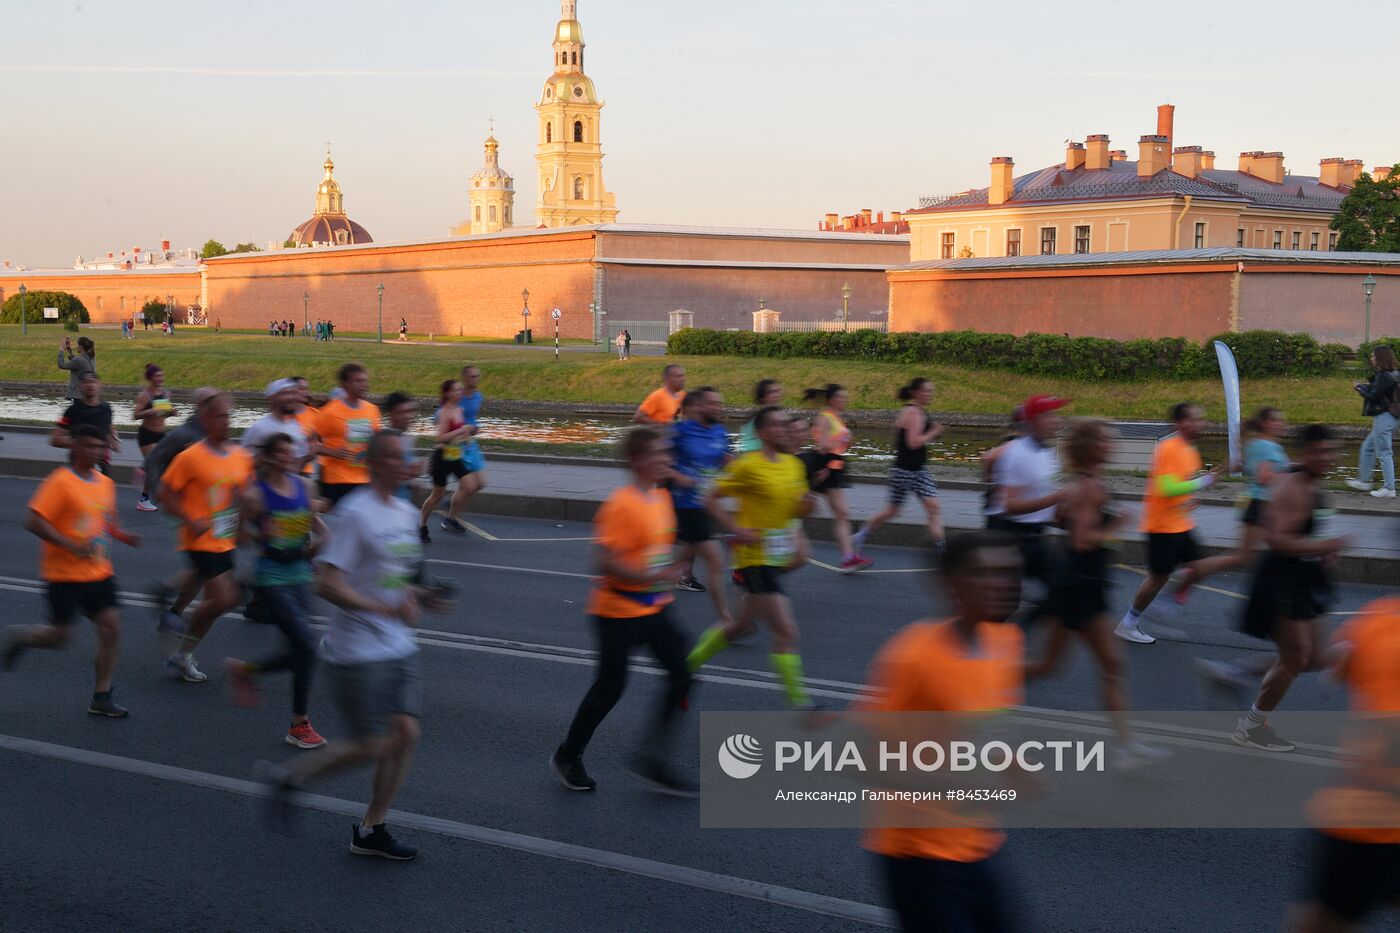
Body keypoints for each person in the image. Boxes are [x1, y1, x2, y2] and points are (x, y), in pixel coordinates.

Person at [260, 429, 447, 860]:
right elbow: (326, 582)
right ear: (381, 463)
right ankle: (290, 776)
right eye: (404, 457)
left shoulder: (403, 512)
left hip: (399, 645)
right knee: (373, 744)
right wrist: (378, 610)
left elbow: (394, 576)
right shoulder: (356, 513)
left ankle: (371, 829)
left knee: (405, 734)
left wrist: (417, 597)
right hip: (357, 650)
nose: (412, 462)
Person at [860, 531, 1025, 933]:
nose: (1001, 584)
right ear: (952, 583)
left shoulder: (1005, 642)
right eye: (984, 574)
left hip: (978, 844)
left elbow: (982, 731)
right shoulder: (914, 656)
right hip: (917, 855)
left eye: (1009, 573)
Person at [550, 425, 694, 796]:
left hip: (654, 608)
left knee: (682, 674)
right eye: (660, 453)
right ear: (638, 460)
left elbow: (655, 549)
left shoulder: (660, 497)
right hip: (616, 611)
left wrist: (667, 572)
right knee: (610, 688)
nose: (667, 458)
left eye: (667, 453)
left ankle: (653, 760)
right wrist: (651, 575)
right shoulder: (621, 504)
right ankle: (568, 755)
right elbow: (602, 562)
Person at [1026, 419, 1169, 770]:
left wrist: (1077, 518)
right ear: (1091, 446)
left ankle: (1127, 747)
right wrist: (1117, 525)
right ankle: (1127, 747)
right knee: (1105, 666)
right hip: (1082, 583)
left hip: (1083, 581)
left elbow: (1064, 520)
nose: (1112, 443)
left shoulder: (1086, 483)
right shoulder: (1089, 486)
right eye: (1106, 440)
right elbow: (1082, 540)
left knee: (1053, 665)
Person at [3, 425, 141, 717]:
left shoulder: (105, 483)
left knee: (111, 627)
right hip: (64, 575)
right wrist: (71, 545)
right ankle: (21, 636)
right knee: (61, 637)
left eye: (100, 446)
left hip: (100, 571)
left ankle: (101, 696)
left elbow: (105, 522)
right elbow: (33, 521)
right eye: (91, 446)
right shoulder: (60, 482)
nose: (98, 451)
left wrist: (123, 535)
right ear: (75, 448)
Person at [688, 406, 817, 708]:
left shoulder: (792, 465)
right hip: (754, 558)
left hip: (775, 556)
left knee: (737, 626)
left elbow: (793, 511)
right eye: (777, 425)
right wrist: (736, 528)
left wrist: (807, 507)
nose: (784, 429)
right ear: (761, 432)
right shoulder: (748, 465)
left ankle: (684, 669)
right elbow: (709, 497)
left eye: (787, 424)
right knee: (786, 630)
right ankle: (802, 707)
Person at [1231, 424, 1346, 752]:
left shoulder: (1308, 482)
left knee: (1312, 657)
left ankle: (1239, 678)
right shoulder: (1291, 487)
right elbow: (1277, 540)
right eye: (1320, 452)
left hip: (1302, 578)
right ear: (1305, 452)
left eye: (1331, 451)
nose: (1327, 458)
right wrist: (1325, 545)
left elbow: (1303, 531)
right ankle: (1251, 726)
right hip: (1281, 580)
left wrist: (1323, 546)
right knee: (1295, 659)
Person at [1291, 596, 1400, 931]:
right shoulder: (1380, 621)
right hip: (1364, 820)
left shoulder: (1380, 617)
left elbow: (1334, 666)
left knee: (1321, 921)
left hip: (1362, 817)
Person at [225, 432, 328, 749]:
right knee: (308, 644)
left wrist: (312, 555)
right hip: (270, 576)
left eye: (291, 451)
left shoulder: (305, 486)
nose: (288, 456)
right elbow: (239, 536)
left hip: (298, 574)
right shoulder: (256, 496)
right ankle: (300, 725)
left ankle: (247, 670)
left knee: (301, 649)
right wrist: (259, 533)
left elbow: (320, 530)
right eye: (281, 452)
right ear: (269, 457)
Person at [156, 391, 254, 683]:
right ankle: (179, 625)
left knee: (215, 606)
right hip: (199, 539)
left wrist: (244, 519)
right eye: (220, 416)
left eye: (229, 416)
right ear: (206, 419)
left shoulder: (240, 455)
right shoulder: (190, 456)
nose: (227, 422)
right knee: (226, 598)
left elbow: (245, 495)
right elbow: (164, 493)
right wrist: (189, 519)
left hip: (224, 536)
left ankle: (181, 654)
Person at [1115, 402, 1219, 645]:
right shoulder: (1170, 448)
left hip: (1180, 522)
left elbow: (1176, 488)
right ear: (1181, 423)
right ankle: (1128, 624)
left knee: (1199, 566)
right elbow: (1166, 487)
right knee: (1158, 578)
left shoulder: (1190, 450)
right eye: (1196, 419)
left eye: (1202, 419)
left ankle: (1164, 606)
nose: (1202, 424)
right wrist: (1204, 482)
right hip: (1161, 525)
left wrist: (1188, 501)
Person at [1171, 407, 1288, 601]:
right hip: (1262, 506)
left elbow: (1238, 467)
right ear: (1265, 424)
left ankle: (1194, 572)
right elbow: (1264, 477)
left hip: (1260, 505)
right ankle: (1194, 571)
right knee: (1244, 557)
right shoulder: (1269, 447)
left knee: (1259, 554)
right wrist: (1290, 475)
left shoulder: (1253, 444)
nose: (1282, 424)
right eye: (1277, 421)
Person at [985, 395, 1067, 605]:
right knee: (1003, 606)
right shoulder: (1017, 454)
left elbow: (1047, 498)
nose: (1057, 420)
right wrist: (1056, 497)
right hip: (1010, 537)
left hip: (1033, 536)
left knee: (1061, 594)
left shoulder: (1047, 453)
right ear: (1035, 421)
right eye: (1050, 415)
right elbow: (1010, 506)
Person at [853, 377, 946, 551]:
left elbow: (899, 431)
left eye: (931, 391)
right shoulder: (912, 412)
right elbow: (913, 443)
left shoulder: (917, 412)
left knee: (934, 507)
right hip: (904, 471)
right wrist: (932, 432)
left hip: (919, 470)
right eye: (926, 391)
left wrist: (931, 433)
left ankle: (942, 549)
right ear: (916, 393)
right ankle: (861, 535)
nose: (929, 394)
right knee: (892, 510)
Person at [669, 388, 734, 621]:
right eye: (713, 404)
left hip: (705, 502)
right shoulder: (678, 431)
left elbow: (729, 460)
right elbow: (654, 459)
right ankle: (726, 619)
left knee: (682, 556)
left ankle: (647, 585)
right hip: (684, 502)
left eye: (720, 403)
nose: (719, 408)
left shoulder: (719, 431)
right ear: (699, 406)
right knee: (715, 559)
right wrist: (678, 477)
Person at [802, 384, 871, 572]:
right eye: (841, 397)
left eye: (845, 397)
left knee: (840, 513)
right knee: (839, 513)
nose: (844, 400)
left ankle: (848, 557)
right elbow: (823, 445)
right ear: (831, 399)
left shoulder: (836, 418)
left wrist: (847, 441)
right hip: (825, 464)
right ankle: (847, 557)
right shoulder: (825, 418)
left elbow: (839, 445)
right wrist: (841, 440)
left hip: (835, 465)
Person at [315, 363, 381, 509]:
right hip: (338, 479)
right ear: (345, 384)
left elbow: (376, 442)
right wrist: (332, 452)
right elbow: (308, 443)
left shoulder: (372, 410)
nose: (363, 385)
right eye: (357, 381)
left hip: (365, 477)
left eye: (364, 381)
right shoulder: (330, 412)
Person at [418, 379, 475, 542]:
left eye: (460, 390)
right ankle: (422, 526)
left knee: (470, 486)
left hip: (454, 455)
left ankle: (451, 518)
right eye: (456, 390)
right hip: (442, 457)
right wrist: (461, 430)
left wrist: (467, 436)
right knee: (437, 495)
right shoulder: (444, 412)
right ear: (447, 393)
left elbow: (459, 434)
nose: (460, 392)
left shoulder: (459, 409)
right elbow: (439, 438)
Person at [1346, 344, 1400, 499]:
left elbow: (1372, 396)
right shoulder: (1395, 373)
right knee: (1368, 446)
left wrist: (1359, 388)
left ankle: (1389, 488)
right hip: (1393, 416)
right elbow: (1381, 390)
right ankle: (1364, 481)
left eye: (1373, 355)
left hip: (1384, 417)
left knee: (1384, 453)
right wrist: (1367, 386)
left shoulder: (1383, 376)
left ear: (1380, 358)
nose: (1371, 358)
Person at [52, 373, 119, 475]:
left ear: (99, 385)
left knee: (103, 489)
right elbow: (55, 439)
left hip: (102, 461)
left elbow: (109, 426)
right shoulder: (72, 411)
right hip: (80, 463)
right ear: (80, 387)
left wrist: (115, 438)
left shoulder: (106, 408)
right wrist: (81, 443)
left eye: (93, 382)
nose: (90, 385)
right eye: (86, 382)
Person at [242, 378, 311, 471]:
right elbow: (243, 462)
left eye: (293, 393)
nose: (291, 397)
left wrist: (310, 454)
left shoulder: (296, 427)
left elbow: (296, 465)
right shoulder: (259, 428)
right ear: (272, 398)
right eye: (285, 393)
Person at [381, 391, 422, 503]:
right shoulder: (384, 442)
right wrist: (408, 474)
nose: (406, 417)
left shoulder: (408, 439)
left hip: (403, 504)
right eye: (401, 412)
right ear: (391, 415)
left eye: (409, 412)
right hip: (387, 506)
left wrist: (411, 483)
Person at [738, 379, 783, 454]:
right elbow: (751, 448)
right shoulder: (755, 421)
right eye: (772, 392)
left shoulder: (778, 419)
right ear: (762, 398)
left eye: (778, 391)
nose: (777, 395)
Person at [57, 335, 96, 400]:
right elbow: (79, 363)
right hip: (86, 395)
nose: (76, 347)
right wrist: (70, 352)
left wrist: (61, 349)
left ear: (81, 347)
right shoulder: (91, 358)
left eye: (78, 345)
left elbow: (61, 365)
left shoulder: (78, 360)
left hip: (78, 395)